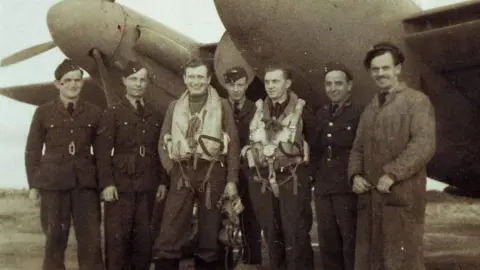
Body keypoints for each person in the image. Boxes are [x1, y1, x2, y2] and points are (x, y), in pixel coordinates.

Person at [348, 42, 436, 270]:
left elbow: (423, 144)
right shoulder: (371, 108)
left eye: (385, 68)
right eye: (375, 69)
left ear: (398, 69)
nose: (380, 74)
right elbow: (357, 147)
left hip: (402, 197)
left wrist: (393, 173)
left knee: (402, 260)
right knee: (371, 261)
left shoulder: (417, 101)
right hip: (371, 199)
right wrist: (355, 175)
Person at [153, 58, 242, 270]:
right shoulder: (174, 107)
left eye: (200, 77)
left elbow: (233, 145)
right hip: (182, 172)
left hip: (212, 173)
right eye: (191, 77)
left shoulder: (222, 106)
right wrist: (172, 169)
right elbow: (162, 143)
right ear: (185, 79)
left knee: (210, 233)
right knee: (170, 231)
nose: (196, 81)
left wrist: (231, 180)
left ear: (208, 78)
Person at [25, 59, 104, 270]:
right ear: (57, 84)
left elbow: (102, 154)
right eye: (67, 80)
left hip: (85, 186)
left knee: (91, 242)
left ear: (82, 83)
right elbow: (32, 151)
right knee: (54, 240)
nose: (73, 85)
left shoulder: (95, 113)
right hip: (53, 184)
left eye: (77, 80)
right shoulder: (43, 112)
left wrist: (104, 184)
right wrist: (33, 185)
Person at [95, 61, 167, 270]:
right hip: (120, 187)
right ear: (124, 81)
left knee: (143, 244)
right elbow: (102, 152)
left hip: (147, 186)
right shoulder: (113, 113)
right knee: (118, 243)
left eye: (142, 80)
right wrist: (107, 184)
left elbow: (160, 150)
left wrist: (162, 181)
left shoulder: (155, 115)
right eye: (133, 79)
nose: (138, 84)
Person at [242, 66, 314, 270]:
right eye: (268, 82)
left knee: (295, 233)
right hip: (263, 180)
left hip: (292, 178)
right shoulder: (257, 111)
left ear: (287, 84)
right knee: (271, 234)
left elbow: (314, 144)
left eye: (276, 81)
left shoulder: (303, 111)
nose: (271, 86)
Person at [310, 62, 362, 270]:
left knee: (350, 242)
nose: (333, 88)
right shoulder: (321, 114)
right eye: (329, 84)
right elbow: (315, 149)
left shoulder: (359, 113)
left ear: (349, 85)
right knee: (328, 242)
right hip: (323, 187)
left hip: (346, 186)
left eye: (338, 83)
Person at [223, 66, 263, 267]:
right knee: (223, 216)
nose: (236, 89)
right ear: (225, 85)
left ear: (246, 85)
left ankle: (252, 260)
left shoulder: (256, 109)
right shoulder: (220, 108)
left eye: (240, 85)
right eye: (231, 85)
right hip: (225, 171)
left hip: (248, 171)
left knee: (251, 215)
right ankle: (225, 261)